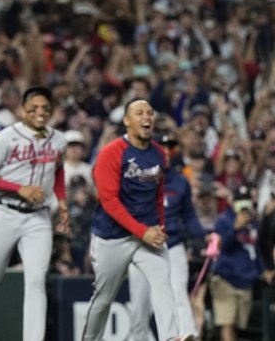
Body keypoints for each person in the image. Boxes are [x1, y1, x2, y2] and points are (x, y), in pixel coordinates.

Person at [80, 98, 195, 341]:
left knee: (164, 283)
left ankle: (171, 337)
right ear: (127, 121)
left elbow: (157, 196)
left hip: (146, 235)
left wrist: (159, 226)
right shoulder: (110, 154)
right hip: (112, 237)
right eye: (139, 112)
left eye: (150, 113)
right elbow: (109, 202)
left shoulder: (159, 155)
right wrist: (143, 231)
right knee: (102, 300)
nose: (147, 117)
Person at [0, 86, 69, 341]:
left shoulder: (59, 140)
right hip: (5, 212)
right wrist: (19, 188)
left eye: (45, 108)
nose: (40, 113)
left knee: (36, 280)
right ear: (22, 110)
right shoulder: (6, 137)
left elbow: (59, 170)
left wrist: (63, 203)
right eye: (33, 108)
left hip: (38, 218)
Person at [128, 132, 205, 339]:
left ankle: (187, 335)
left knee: (178, 291)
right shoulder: (139, 177)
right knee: (140, 305)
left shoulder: (181, 181)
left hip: (172, 245)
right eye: (163, 147)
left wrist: (206, 236)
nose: (167, 151)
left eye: (171, 147)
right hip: (142, 246)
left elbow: (189, 216)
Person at [210, 185, 274, 341]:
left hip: (246, 280)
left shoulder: (254, 224)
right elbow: (219, 248)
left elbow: (257, 251)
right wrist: (235, 228)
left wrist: (263, 271)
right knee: (228, 325)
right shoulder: (223, 220)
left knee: (238, 327)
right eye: (239, 200)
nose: (243, 203)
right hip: (226, 278)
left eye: (246, 200)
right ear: (232, 202)